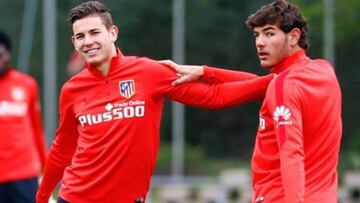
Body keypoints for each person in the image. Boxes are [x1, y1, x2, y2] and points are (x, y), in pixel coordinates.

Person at [35, 1, 275, 203]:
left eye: (94, 32)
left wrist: (274, 81)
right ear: (74, 43)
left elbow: (215, 96)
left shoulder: (148, 72)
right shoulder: (72, 89)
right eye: (80, 36)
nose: (87, 41)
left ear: (113, 33)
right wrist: (42, 196)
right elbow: (62, 148)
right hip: (75, 197)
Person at [162, 0, 342, 202]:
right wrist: (206, 72)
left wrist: (158, 81)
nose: (260, 42)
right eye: (257, 35)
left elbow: (291, 153)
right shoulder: (324, 71)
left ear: (294, 36)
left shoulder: (284, 87)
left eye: (269, 33)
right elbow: (257, 84)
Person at [0, 30, 47, 203]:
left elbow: (37, 129)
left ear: (8, 54)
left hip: (24, 173)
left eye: (0, 55)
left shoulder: (26, 85)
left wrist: (46, 168)